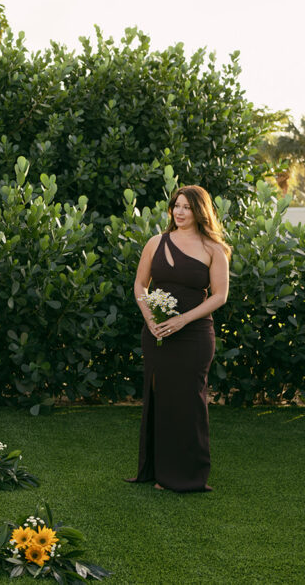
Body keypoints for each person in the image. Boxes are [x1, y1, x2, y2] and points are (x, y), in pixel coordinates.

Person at [126, 185, 230, 492]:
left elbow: (220, 296)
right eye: (176, 206)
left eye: (187, 206)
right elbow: (140, 285)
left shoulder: (214, 249)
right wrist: (151, 319)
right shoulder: (156, 242)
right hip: (157, 333)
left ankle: (188, 475)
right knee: (161, 398)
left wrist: (182, 319)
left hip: (195, 336)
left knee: (189, 401)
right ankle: (158, 470)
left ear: (200, 211)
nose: (180, 212)